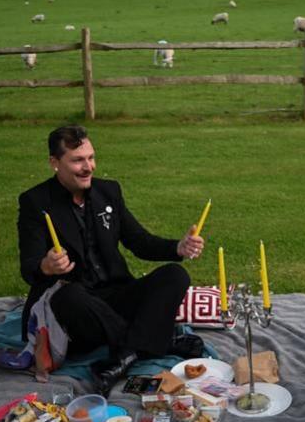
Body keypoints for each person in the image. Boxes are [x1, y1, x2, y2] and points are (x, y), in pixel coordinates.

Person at [17, 124, 206, 396]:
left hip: (116, 297)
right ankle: (155, 340)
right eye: (77, 160)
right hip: (76, 312)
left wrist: (178, 246)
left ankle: (124, 355)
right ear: (54, 163)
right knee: (69, 295)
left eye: (91, 157)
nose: (88, 167)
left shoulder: (109, 192)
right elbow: (29, 267)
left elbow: (140, 242)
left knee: (175, 275)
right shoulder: (35, 202)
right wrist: (46, 266)